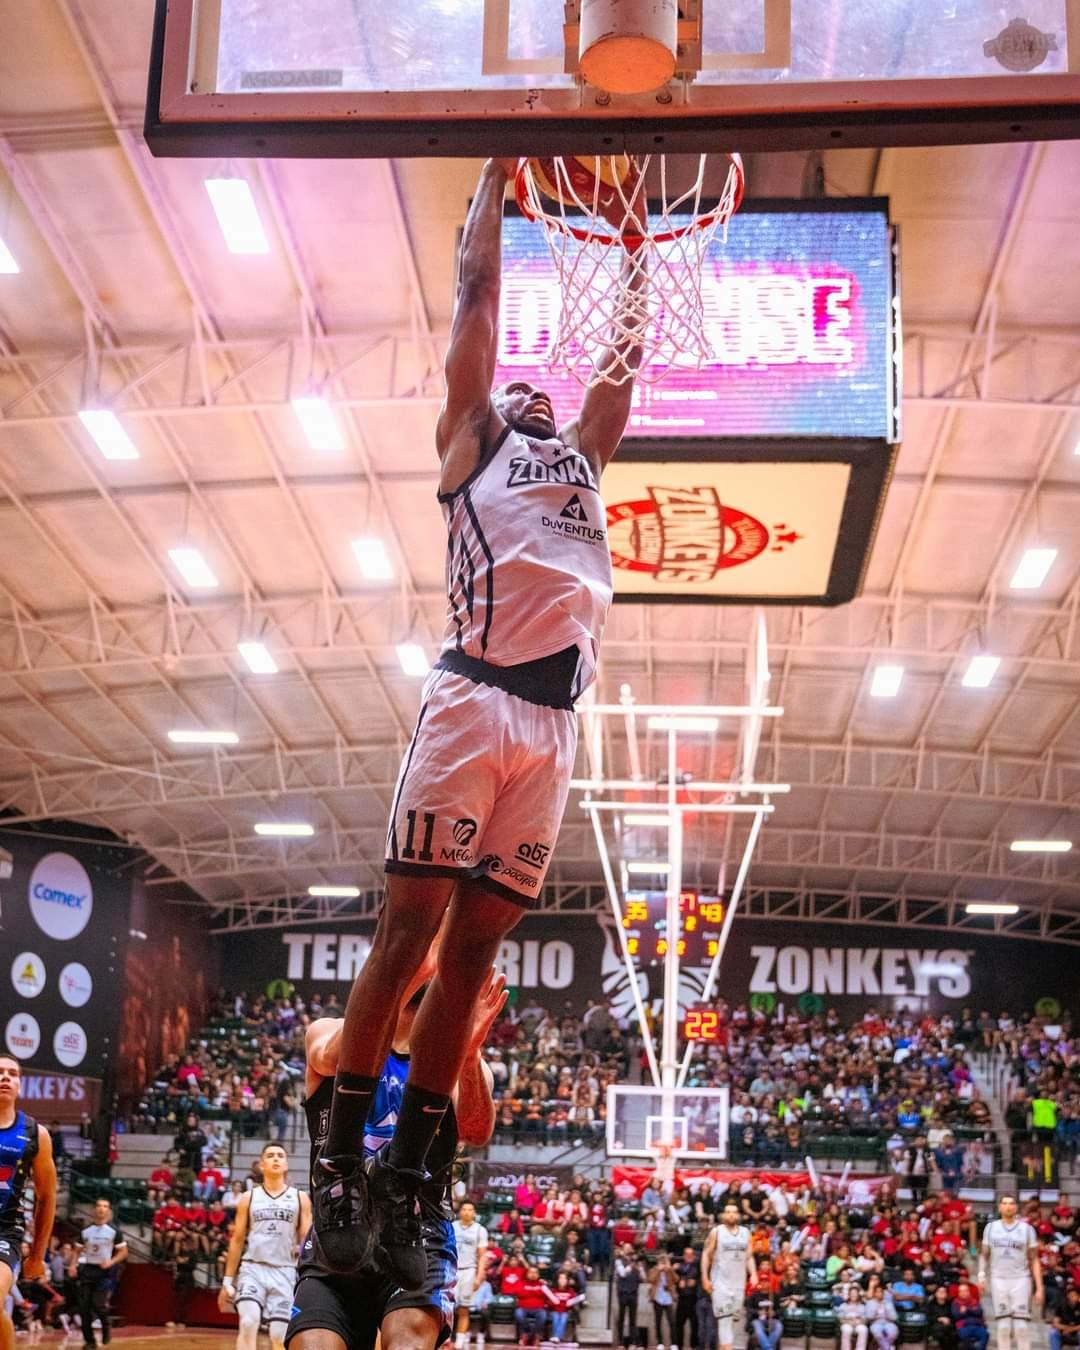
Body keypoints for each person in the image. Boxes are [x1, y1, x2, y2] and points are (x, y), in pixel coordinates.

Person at [311, 153, 648, 1287]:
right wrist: (498, 182)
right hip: (471, 698)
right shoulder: (474, 442)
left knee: (473, 962)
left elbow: (617, 377)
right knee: (406, 940)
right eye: (522, 391)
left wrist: (635, 255)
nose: (539, 398)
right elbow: (478, 298)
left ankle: (414, 1180)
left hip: (553, 732)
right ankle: (339, 1166)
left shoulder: (583, 466)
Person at [287, 968, 503, 1350]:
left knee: (406, 1344)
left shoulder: (453, 1056)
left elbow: (475, 1131)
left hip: (419, 1234)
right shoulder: (328, 1030)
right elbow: (327, 1058)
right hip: (338, 1229)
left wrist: (468, 1055)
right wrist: (396, 977)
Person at [218, 1144, 309, 1350]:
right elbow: (237, 1240)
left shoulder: (300, 1198)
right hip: (253, 1269)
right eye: (270, 1156)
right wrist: (227, 1281)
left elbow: (307, 1240)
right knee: (248, 1322)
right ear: (262, 1165)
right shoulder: (249, 1198)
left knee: (279, 1336)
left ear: (286, 1164)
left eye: (280, 1156)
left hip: (285, 1270)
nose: (275, 1159)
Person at [0, 1057, 56, 1350]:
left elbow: (47, 1198)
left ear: (20, 1085)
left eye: (12, 1074)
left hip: (4, 1233)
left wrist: (37, 1255)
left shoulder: (36, 1134)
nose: (5, 1077)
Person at [978, 1193, 1043, 1350]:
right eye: (1005, 1203)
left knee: (1021, 1328)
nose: (1008, 1206)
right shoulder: (991, 1228)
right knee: (1003, 1327)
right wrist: (981, 1275)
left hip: (1021, 1279)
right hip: (998, 1279)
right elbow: (984, 1255)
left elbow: (1034, 1259)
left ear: (1016, 1207)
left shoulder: (1027, 1229)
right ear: (1000, 1207)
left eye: (1011, 1203)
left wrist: (1039, 1288)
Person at [701, 1201, 757, 1350]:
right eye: (728, 1211)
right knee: (724, 1321)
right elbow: (706, 1254)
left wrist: (754, 1273)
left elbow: (749, 1256)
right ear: (723, 1215)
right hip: (720, 1283)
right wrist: (705, 1278)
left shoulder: (746, 1233)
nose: (731, 1214)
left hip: (739, 1284)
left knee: (731, 1321)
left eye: (734, 1211)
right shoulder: (717, 1231)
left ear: (738, 1215)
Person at [452, 1202, 488, 1350]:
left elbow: (482, 1256)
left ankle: (459, 1343)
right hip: (451, 1270)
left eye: (470, 1210)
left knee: (464, 1309)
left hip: (469, 1271)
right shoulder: (452, 1226)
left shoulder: (480, 1230)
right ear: (460, 1212)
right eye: (464, 1209)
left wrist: (479, 1276)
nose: (467, 1212)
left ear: (474, 1213)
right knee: (445, 1309)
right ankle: (445, 1339)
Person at [615, 1245, 644, 1350]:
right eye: (626, 1248)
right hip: (623, 1292)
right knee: (621, 1318)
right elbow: (622, 1273)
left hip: (633, 1292)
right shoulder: (618, 1261)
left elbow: (643, 1278)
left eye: (629, 1248)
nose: (628, 1250)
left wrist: (639, 1268)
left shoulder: (636, 1262)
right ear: (623, 1250)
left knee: (633, 1319)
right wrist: (631, 1266)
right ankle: (620, 1342)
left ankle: (633, 1342)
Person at [545, 1270, 585, 1343]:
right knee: (555, 1318)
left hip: (565, 1311)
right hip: (555, 1310)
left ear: (567, 1280)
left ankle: (556, 1337)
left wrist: (569, 1304)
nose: (562, 1280)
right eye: (560, 1278)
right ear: (557, 1280)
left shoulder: (570, 1291)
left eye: (564, 1278)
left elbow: (572, 1301)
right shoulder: (553, 1290)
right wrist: (554, 1303)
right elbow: (548, 1302)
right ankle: (557, 1336)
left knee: (563, 1320)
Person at [674, 1245, 701, 1350]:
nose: (689, 1256)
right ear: (684, 1256)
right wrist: (678, 1283)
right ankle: (679, 1346)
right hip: (682, 1300)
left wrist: (695, 1283)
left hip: (694, 1300)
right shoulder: (678, 1267)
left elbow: (701, 1281)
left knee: (695, 1326)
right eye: (687, 1254)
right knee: (679, 1325)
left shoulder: (698, 1267)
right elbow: (673, 1281)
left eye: (691, 1254)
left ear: (694, 1256)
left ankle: (693, 1346)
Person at [650, 1252, 677, 1349]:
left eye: (665, 1262)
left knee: (672, 1322)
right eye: (662, 1262)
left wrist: (670, 1270)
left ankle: (674, 1344)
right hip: (658, 1298)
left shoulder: (669, 1271)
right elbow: (651, 1279)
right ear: (658, 1263)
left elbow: (676, 1279)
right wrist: (658, 1270)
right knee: (658, 1321)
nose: (663, 1264)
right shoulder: (654, 1269)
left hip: (668, 1298)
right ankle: (660, 1343)